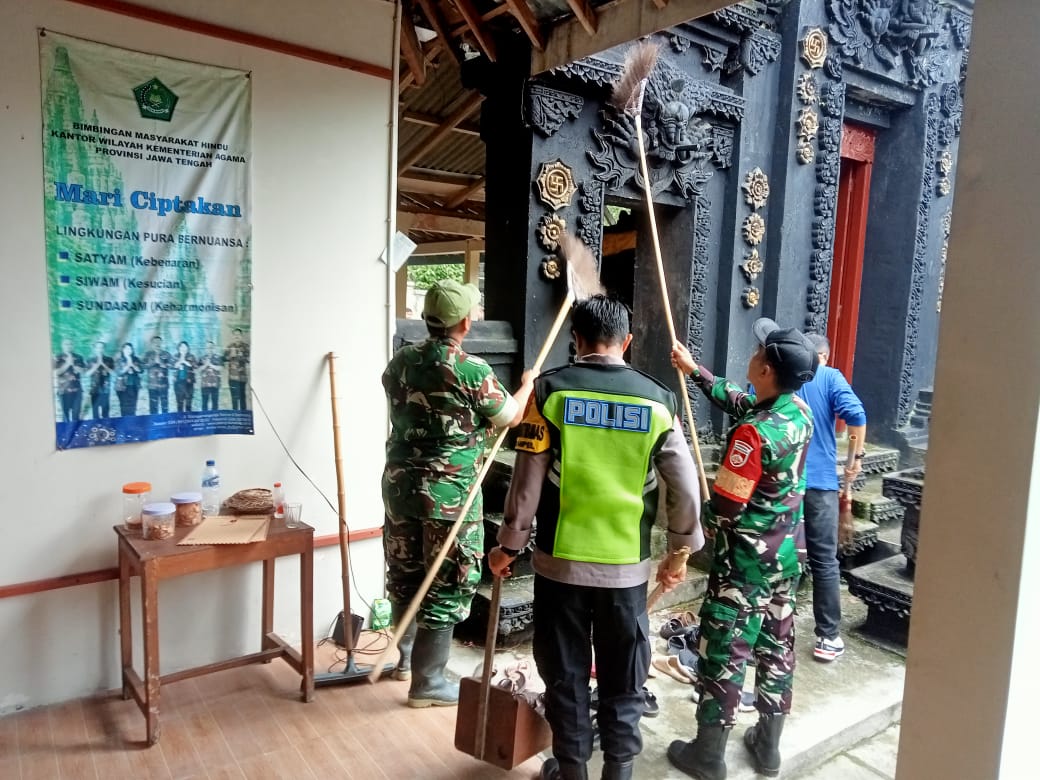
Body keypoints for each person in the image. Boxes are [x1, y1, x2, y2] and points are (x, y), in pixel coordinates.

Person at [488, 295, 704, 780]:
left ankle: (571, 771)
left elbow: (527, 479)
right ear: (627, 342)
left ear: (576, 340)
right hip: (626, 569)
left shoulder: (549, 392)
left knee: (564, 671)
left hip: (559, 564)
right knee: (624, 672)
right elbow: (685, 484)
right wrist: (680, 550)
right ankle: (620, 771)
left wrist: (508, 545)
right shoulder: (658, 399)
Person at [666, 318, 817, 780]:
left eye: (758, 353)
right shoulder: (797, 413)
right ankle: (767, 748)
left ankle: (709, 754)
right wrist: (696, 372)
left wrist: (694, 528)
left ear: (768, 369)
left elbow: (727, 507)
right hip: (786, 559)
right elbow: (744, 403)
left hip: (745, 568)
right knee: (777, 648)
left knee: (726, 652)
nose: (751, 356)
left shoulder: (752, 437)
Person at [381, 279, 534, 708]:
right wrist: (527, 382)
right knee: (448, 581)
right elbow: (511, 415)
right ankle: (428, 682)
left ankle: (406, 661)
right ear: (465, 322)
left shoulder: (399, 363)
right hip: (449, 497)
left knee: (406, 574)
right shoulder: (471, 370)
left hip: (400, 488)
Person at [797, 334, 866, 662]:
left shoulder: (780, 372)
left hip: (783, 482)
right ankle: (828, 637)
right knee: (824, 560)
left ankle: (768, 630)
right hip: (821, 485)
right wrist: (855, 455)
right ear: (823, 355)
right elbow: (856, 418)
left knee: (777, 554)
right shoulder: (829, 376)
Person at [53, 338, 84, 423]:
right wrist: (67, 364)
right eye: (66, 344)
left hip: (77, 390)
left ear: (73, 345)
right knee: (65, 416)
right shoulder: (57, 357)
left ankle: (76, 434)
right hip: (63, 390)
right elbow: (57, 372)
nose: (68, 346)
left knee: (76, 414)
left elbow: (83, 371)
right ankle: (67, 434)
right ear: (62, 346)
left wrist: (73, 364)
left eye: (70, 344)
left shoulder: (78, 357)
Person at [83, 340, 115, 419]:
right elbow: (87, 374)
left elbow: (113, 373)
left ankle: (107, 428)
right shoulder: (90, 360)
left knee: (106, 412)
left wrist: (103, 364)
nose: (100, 349)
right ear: (95, 349)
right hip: (94, 389)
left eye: (101, 348)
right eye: (98, 348)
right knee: (95, 412)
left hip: (105, 389)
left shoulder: (109, 359)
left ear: (104, 349)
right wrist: (97, 364)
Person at [143, 336, 172, 414]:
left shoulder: (166, 354)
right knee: (153, 407)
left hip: (164, 385)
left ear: (161, 343)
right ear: (152, 344)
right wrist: (153, 362)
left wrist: (161, 363)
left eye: (159, 342)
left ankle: (164, 423)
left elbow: (171, 366)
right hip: (152, 385)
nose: (157, 344)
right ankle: (154, 423)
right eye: (155, 342)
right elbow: (143, 366)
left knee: (165, 407)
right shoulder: (148, 354)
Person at [224, 328, 250, 410]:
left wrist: (239, 356)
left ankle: (243, 417)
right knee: (234, 398)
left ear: (241, 336)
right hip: (232, 377)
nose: (236, 336)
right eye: (235, 335)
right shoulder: (229, 347)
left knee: (242, 397)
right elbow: (223, 358)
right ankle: (235, 416)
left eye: (238, 335)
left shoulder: (246, 347)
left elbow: (248, 359)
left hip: (242, 377)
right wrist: (230, 356)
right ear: (233, 336)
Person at [115, 342, 142, 416]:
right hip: (122, 386)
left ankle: (132, 423)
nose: (128, 350)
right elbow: (119, 372)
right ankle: (125, 424)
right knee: (124, 407)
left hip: (134, 385)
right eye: (126, 348)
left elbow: (140, 370)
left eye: (130, 349)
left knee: (133, 406)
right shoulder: (119, 360)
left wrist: (131, 363)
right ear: (123, 350)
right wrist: (128, 364)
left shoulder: (136, 359)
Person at [173, 341, 198, 413]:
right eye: (181, 346)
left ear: (187, 348)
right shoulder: (175, 356)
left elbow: (195, 366)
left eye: (185, 346)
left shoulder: (191, 356)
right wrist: (181, 359)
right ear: (179, 348)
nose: (183, 348)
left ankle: (189, 420)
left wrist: (185, 361)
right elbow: (173, 366)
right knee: (179, 403)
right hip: (178, 383)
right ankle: (180, 421)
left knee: (189, 403)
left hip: (189, 383)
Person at [198, 341, 223, 412]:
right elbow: (199, 369)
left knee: (215, 403)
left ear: (214, 348)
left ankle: (214, 420)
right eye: (208, 348)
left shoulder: (218, 357)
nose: (209, 349)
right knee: (204, 403)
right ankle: (205, 418)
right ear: (205, 348)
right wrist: (206, 365)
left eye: (211, 347)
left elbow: (221, 368)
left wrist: (210, 365)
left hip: (215, 384)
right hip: (204, 385)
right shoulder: (202, 358)